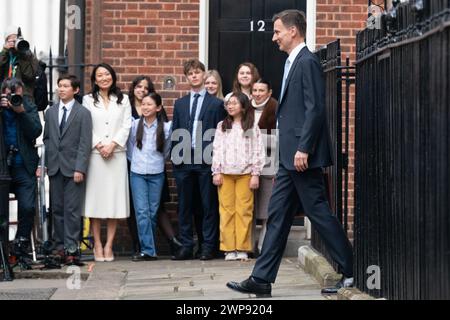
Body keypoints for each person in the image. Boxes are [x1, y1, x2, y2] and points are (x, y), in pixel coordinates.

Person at [227, 9, 354, 297]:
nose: (274, 37)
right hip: (289, 157)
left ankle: (351, 269)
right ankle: (261, 278)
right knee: (278, 214)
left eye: (277, 31)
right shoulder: (291, 62)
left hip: (300, 156)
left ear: (293, 31)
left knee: (318, 212)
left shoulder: (306, 61)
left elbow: (315, 109)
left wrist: (303, 148)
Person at [171, 59, 226, 260]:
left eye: (197, 72)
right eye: (190, 74)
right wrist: (175, 159)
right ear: (186, 78)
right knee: (184, 205)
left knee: (208, 205)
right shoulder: (180, 104)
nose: (194, 76)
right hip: (184, 160)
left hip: (207, 160)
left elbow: (221, 134)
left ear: (203, 74)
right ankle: (186, 245)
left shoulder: (217, 104)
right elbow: (176, 130)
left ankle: (207, 246)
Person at [38, 75, 92, 265]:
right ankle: (59, 247)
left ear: (75, 90)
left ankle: (71, 248)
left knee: (72, 210)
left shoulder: (83, 113)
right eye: (59, 86)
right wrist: (43, 164)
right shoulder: (51, 112)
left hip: (73, 169)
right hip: (54, 167)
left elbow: (85, 143)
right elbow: (47, 139)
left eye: (66, 86)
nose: (61, 89)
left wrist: (80, 168)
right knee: (57, 209)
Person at [128, 76, 182, 258]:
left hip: (157, 173)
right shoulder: (134, 125)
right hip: (137, 174)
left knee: (152, 213)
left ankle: (148, 249)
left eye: (149, 104)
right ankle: (148, 250)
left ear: (158, 108)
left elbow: (167, 151)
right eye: (143, 104)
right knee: (142, 212)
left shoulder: (166, 128)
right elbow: (129, 148)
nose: (145, 107)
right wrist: (136, 162)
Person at [83, 63, 131, 262]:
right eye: (100, 75)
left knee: (114, 201)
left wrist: (112, 144)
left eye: (107, 74)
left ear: (113, 77)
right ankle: (98, 245)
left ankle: (109, 245)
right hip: (95, 156)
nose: (104, 78)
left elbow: (127, 125)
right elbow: (86, 125)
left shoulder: (124, 99)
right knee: (95, 202)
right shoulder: (87, 100)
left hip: (116, 155)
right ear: (94, 80)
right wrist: (100, 145)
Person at [212, 92, 264, 261]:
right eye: (228, 103)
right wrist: (216, 171)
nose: (231, 106)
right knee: (226, 211)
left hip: (245, 174)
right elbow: (217, 149)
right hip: (225, 174)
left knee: (244, 211)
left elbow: (258, 149)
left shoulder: (250, 126)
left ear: (243, 106)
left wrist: (255, 173)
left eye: (234, 103)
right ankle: (228, 248)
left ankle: (242, 247)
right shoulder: (222, 125)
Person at [0, 78, 42, 258]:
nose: (12, 98)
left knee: (27, 207)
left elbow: (36, 131)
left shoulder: (28, 106)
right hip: (2, 168)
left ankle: (20, 243)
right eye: (9, 94)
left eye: (16, 94)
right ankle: (2, 247)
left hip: (23, 167)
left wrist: (21, 112)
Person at [250, 78, 278, 255]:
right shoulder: (245, 108)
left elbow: (279, 139)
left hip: (270, 165)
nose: (258, 94)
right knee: (249, 208)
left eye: (262, 90)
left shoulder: (276, 108)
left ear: (269, 92)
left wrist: (255, 137)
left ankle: (264, 247)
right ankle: (250, 246)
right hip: (248, 166)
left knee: (268, 209)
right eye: (255, 90)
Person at [0, 26, 39, 99]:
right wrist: (5, 50)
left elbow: (29, 75)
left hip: (24, 98)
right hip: (5, 96)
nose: (14, 43)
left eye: (16, 40)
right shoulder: (4, 55)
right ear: (6, 41)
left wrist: (22, 54)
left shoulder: (29, 57)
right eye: (11, 41)